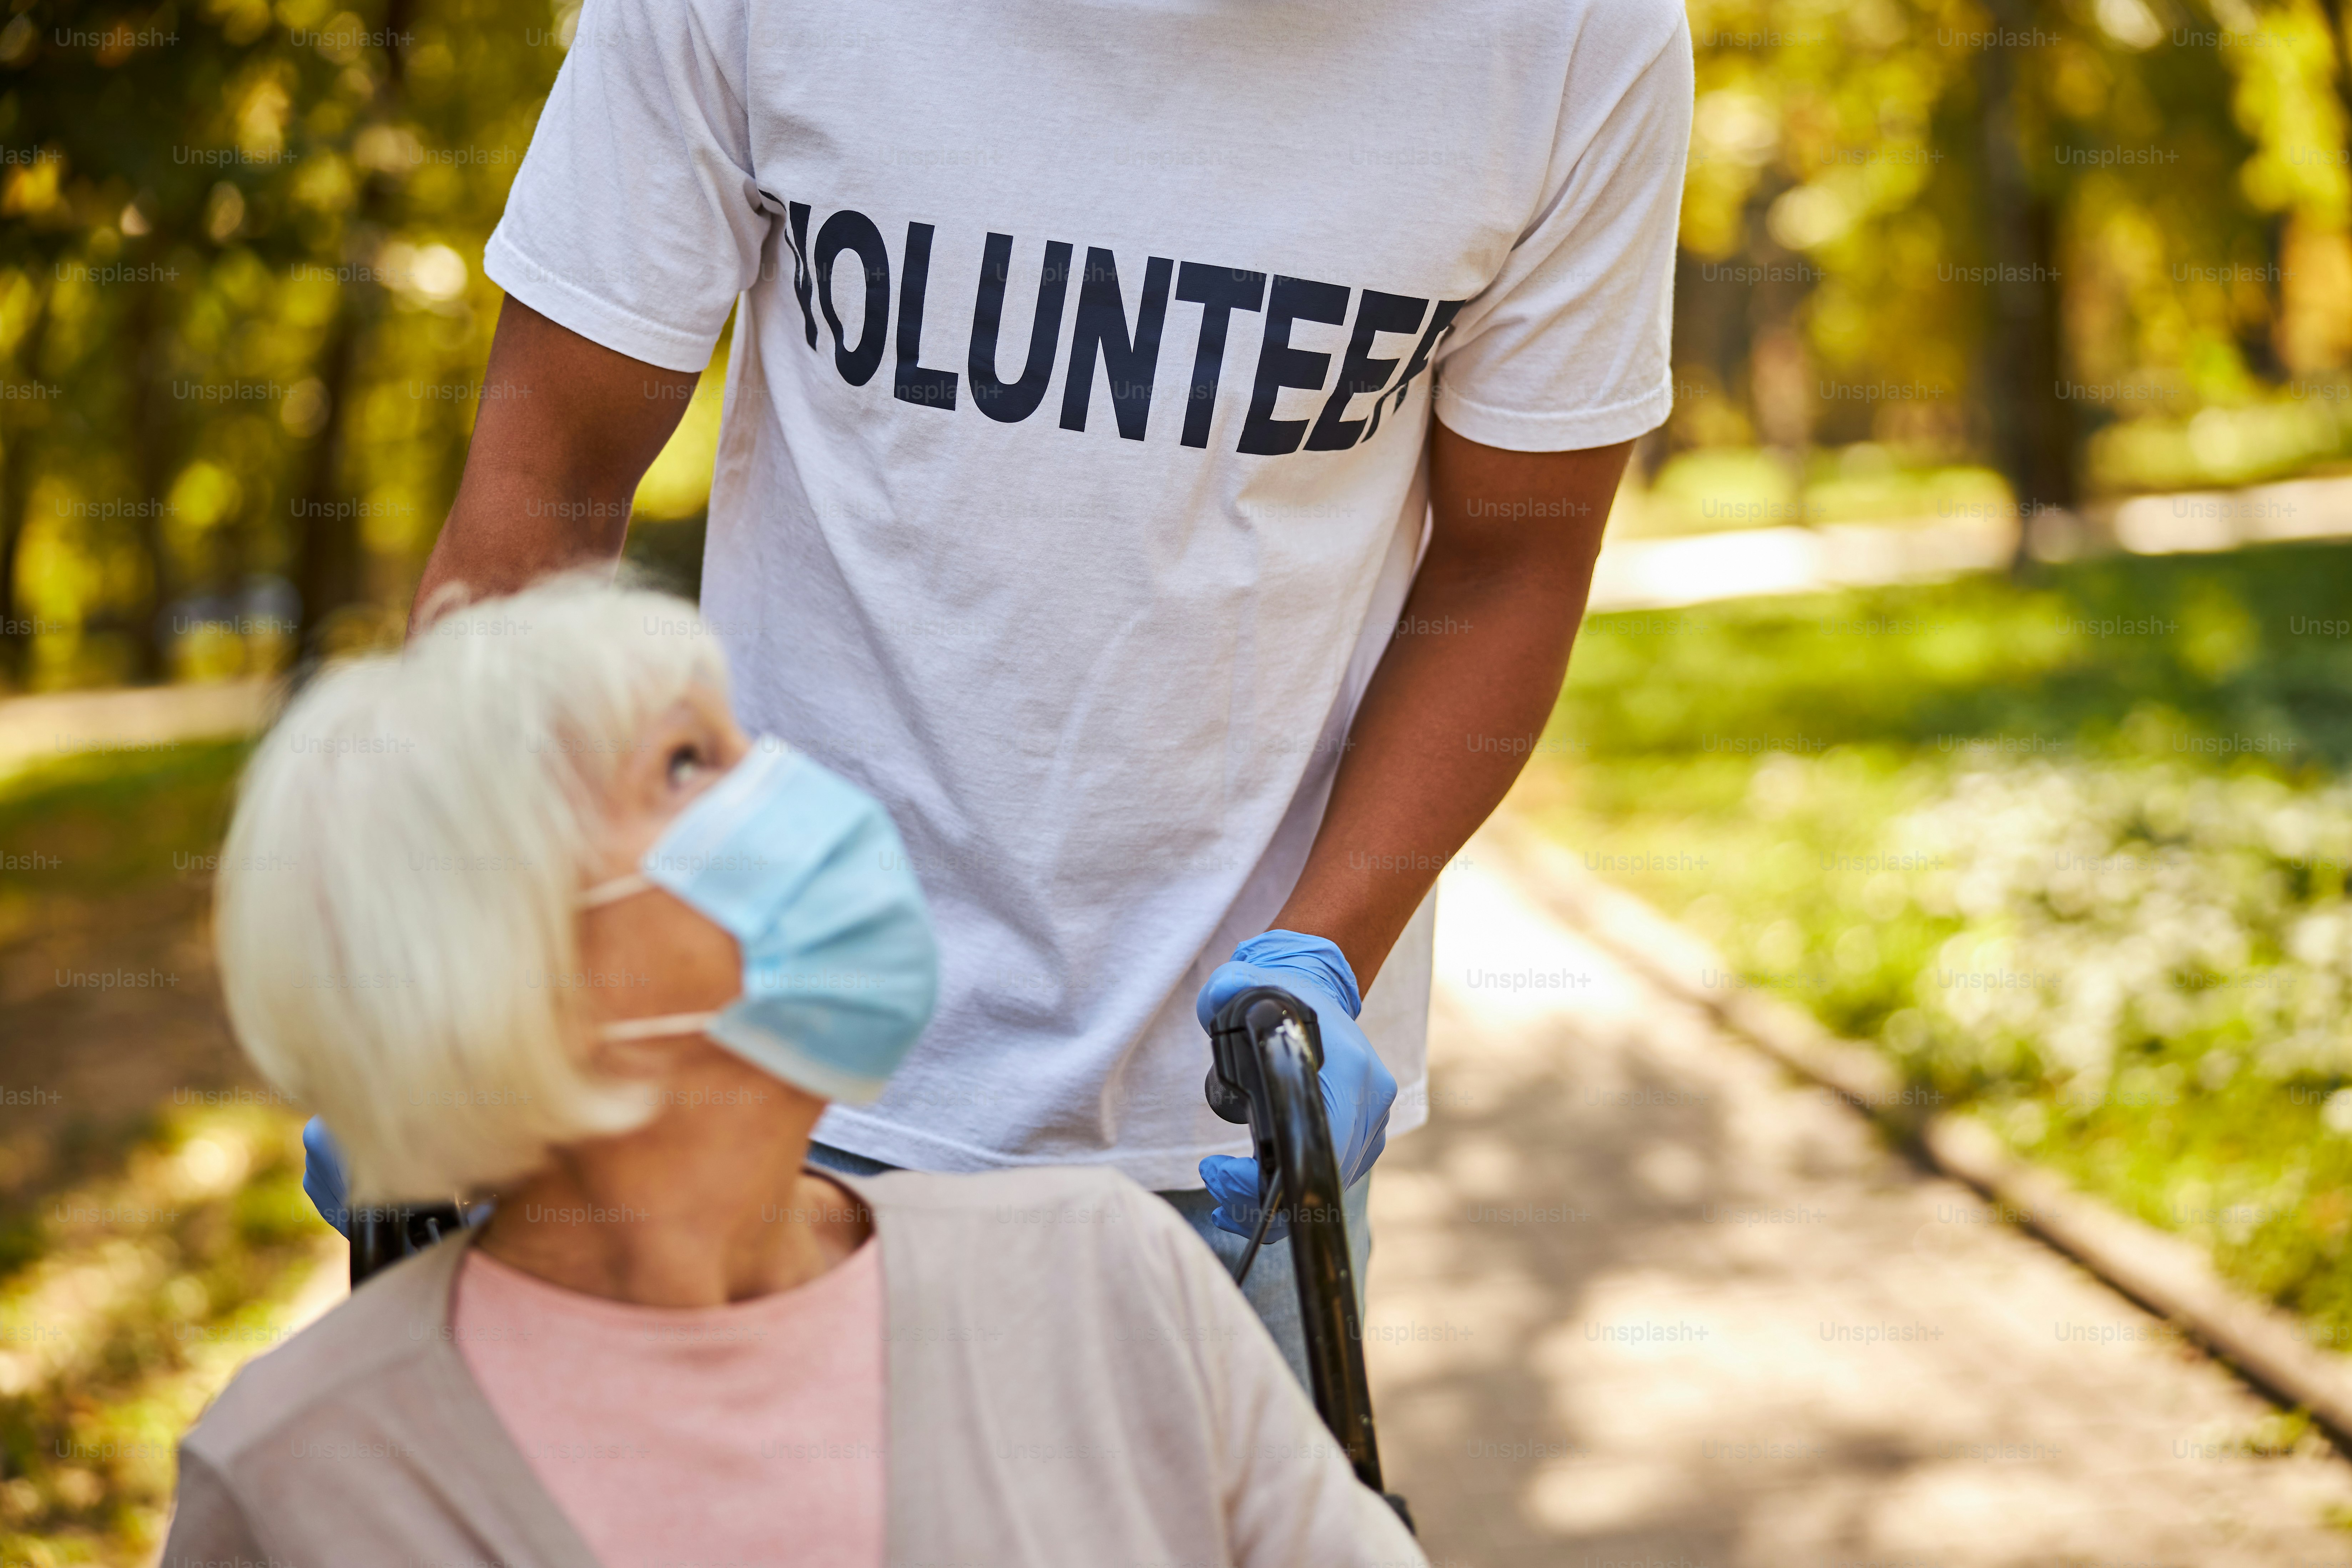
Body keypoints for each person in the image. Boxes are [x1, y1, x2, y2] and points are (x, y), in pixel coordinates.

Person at [313, 0, 1697, 1372]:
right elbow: (543, 481)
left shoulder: (1575, 35)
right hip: (733, 1068)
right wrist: (453, 957)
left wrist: (1327, 952)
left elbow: (1509, 564)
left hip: (1222, 1158)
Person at [166, 575, 1424, 1568]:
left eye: (742, 746)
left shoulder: (1113, 1274)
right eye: (684, 765)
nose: (790, 795)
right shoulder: (299, 1474)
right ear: (504, 948)